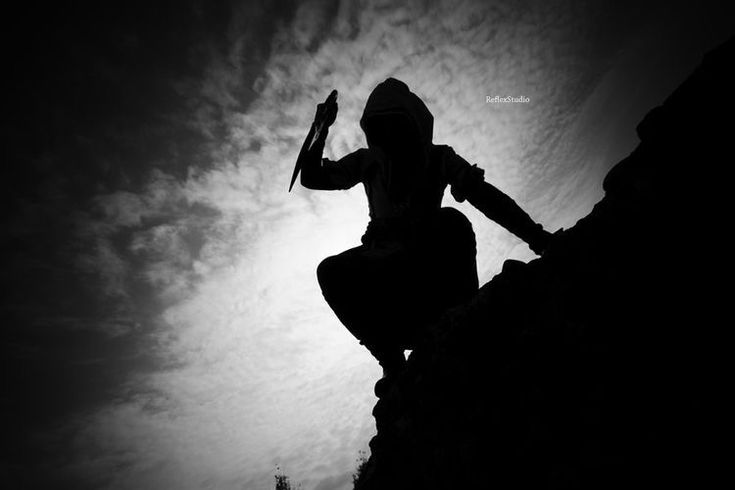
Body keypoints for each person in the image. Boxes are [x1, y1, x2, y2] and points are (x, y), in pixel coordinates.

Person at [298, 78, 552, 379]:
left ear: (412, 125)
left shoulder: (439, 158)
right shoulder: (368, 163)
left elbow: (484, 196)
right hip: (390, 282)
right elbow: (312, 177)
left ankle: (464, 318)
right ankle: (391, 360)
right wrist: (320, 129)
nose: (390, 137)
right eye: (382, 128)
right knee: (331, 271)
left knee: (453, 221)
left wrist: (536, 236)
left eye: (396, 126)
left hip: (434, 275)